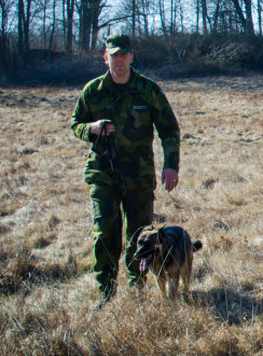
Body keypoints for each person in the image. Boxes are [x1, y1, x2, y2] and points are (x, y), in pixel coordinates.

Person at [70, 33, 181, 308]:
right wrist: (92, 128)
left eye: (123, 55)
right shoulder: (93, 91)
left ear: (131, 57)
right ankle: (106, 293)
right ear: (105, 58)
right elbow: (75, 124)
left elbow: (169, 128)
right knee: (105, 232)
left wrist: (171, 165)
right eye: (113, 55)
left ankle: (137, 289)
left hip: (139, 176)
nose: (119, 61)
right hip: (103, 174)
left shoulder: (147, 90)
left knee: (140, 237)